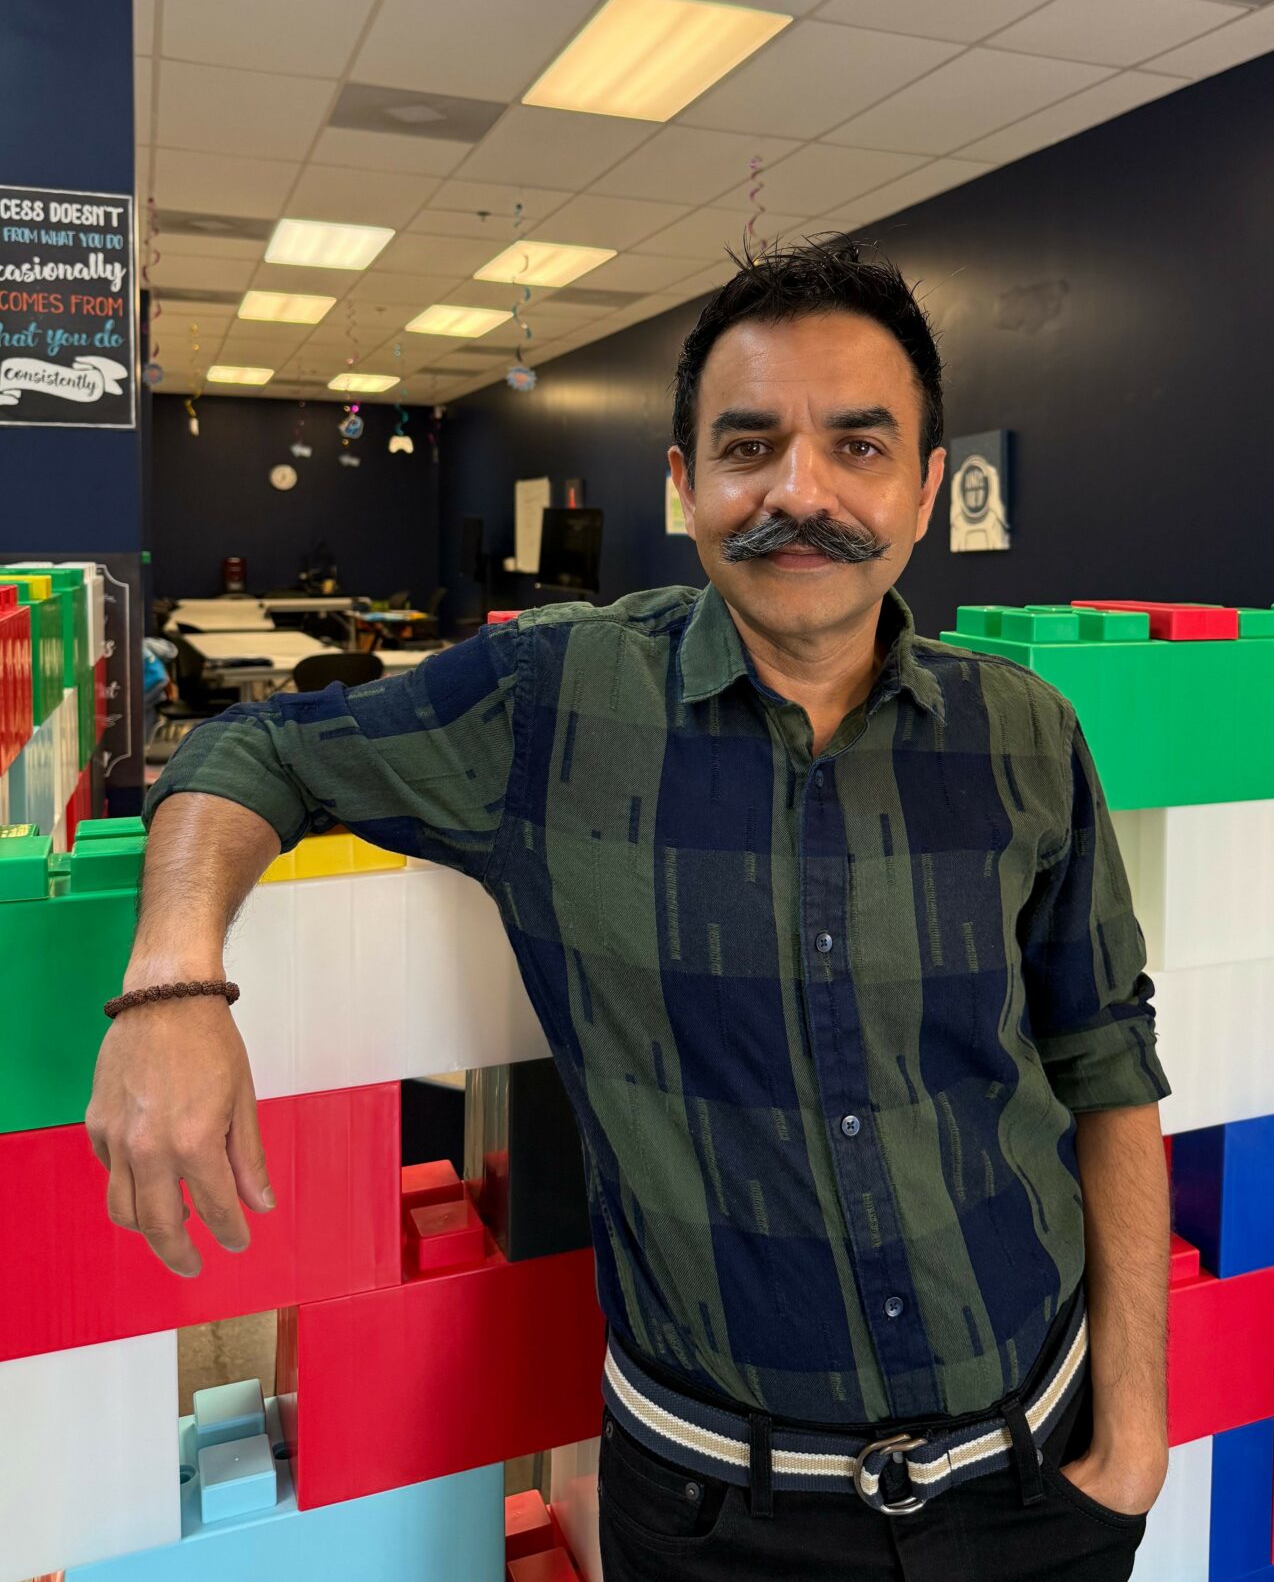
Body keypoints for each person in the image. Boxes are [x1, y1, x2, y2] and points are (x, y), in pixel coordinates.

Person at [88, 237, 1173, 1580]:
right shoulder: (559, 703)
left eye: (860, 446)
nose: (801, 492)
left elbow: (1107, 1065)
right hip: (726, 1521)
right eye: (749, 445)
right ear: (684, 484)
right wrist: (172, 986)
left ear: (927, 489)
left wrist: (1134, 1441)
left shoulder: (1022, 732)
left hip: (1039, 1478)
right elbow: (245, 750)